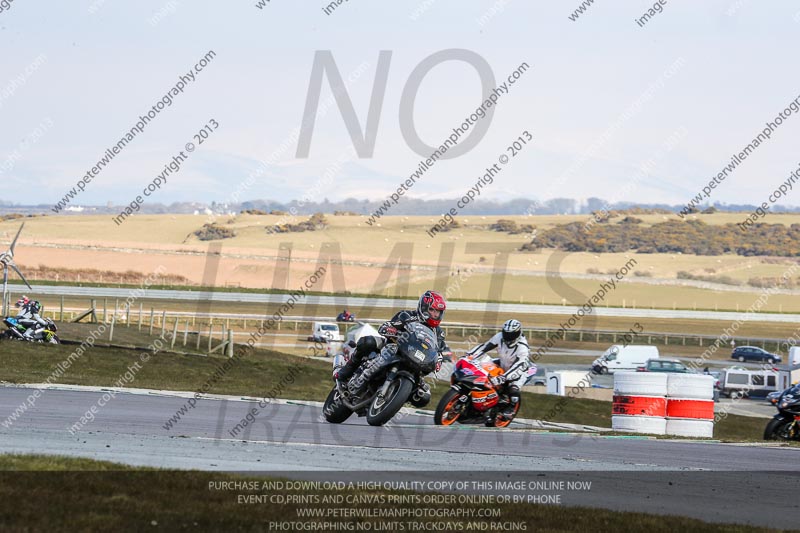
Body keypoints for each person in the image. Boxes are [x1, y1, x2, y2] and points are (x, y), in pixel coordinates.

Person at [335, 290, 451, 401]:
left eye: (438, 312)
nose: (435, 314)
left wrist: (438, 361)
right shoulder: (408, 316)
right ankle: (346, 371)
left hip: (417, 361)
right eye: (432, 310)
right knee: (367, 342)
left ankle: (395, 395)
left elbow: (438, 351)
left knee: (423, 397)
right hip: (392, 348)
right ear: (424, 308)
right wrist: (394, 332)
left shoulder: (439, 333)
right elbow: (386, 326)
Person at [466, 319, 530, 418]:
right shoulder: (499, 337)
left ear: (518, 333)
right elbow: (484, 347)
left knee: (513, 388)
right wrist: (469, 355)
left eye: (512, 335)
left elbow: (518, 366)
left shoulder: (523, 347)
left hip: (519, 370)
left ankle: (511, 408)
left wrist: (503, 377)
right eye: (506, 334)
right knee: (483, 369)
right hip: (502, 363)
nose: (508, 337)